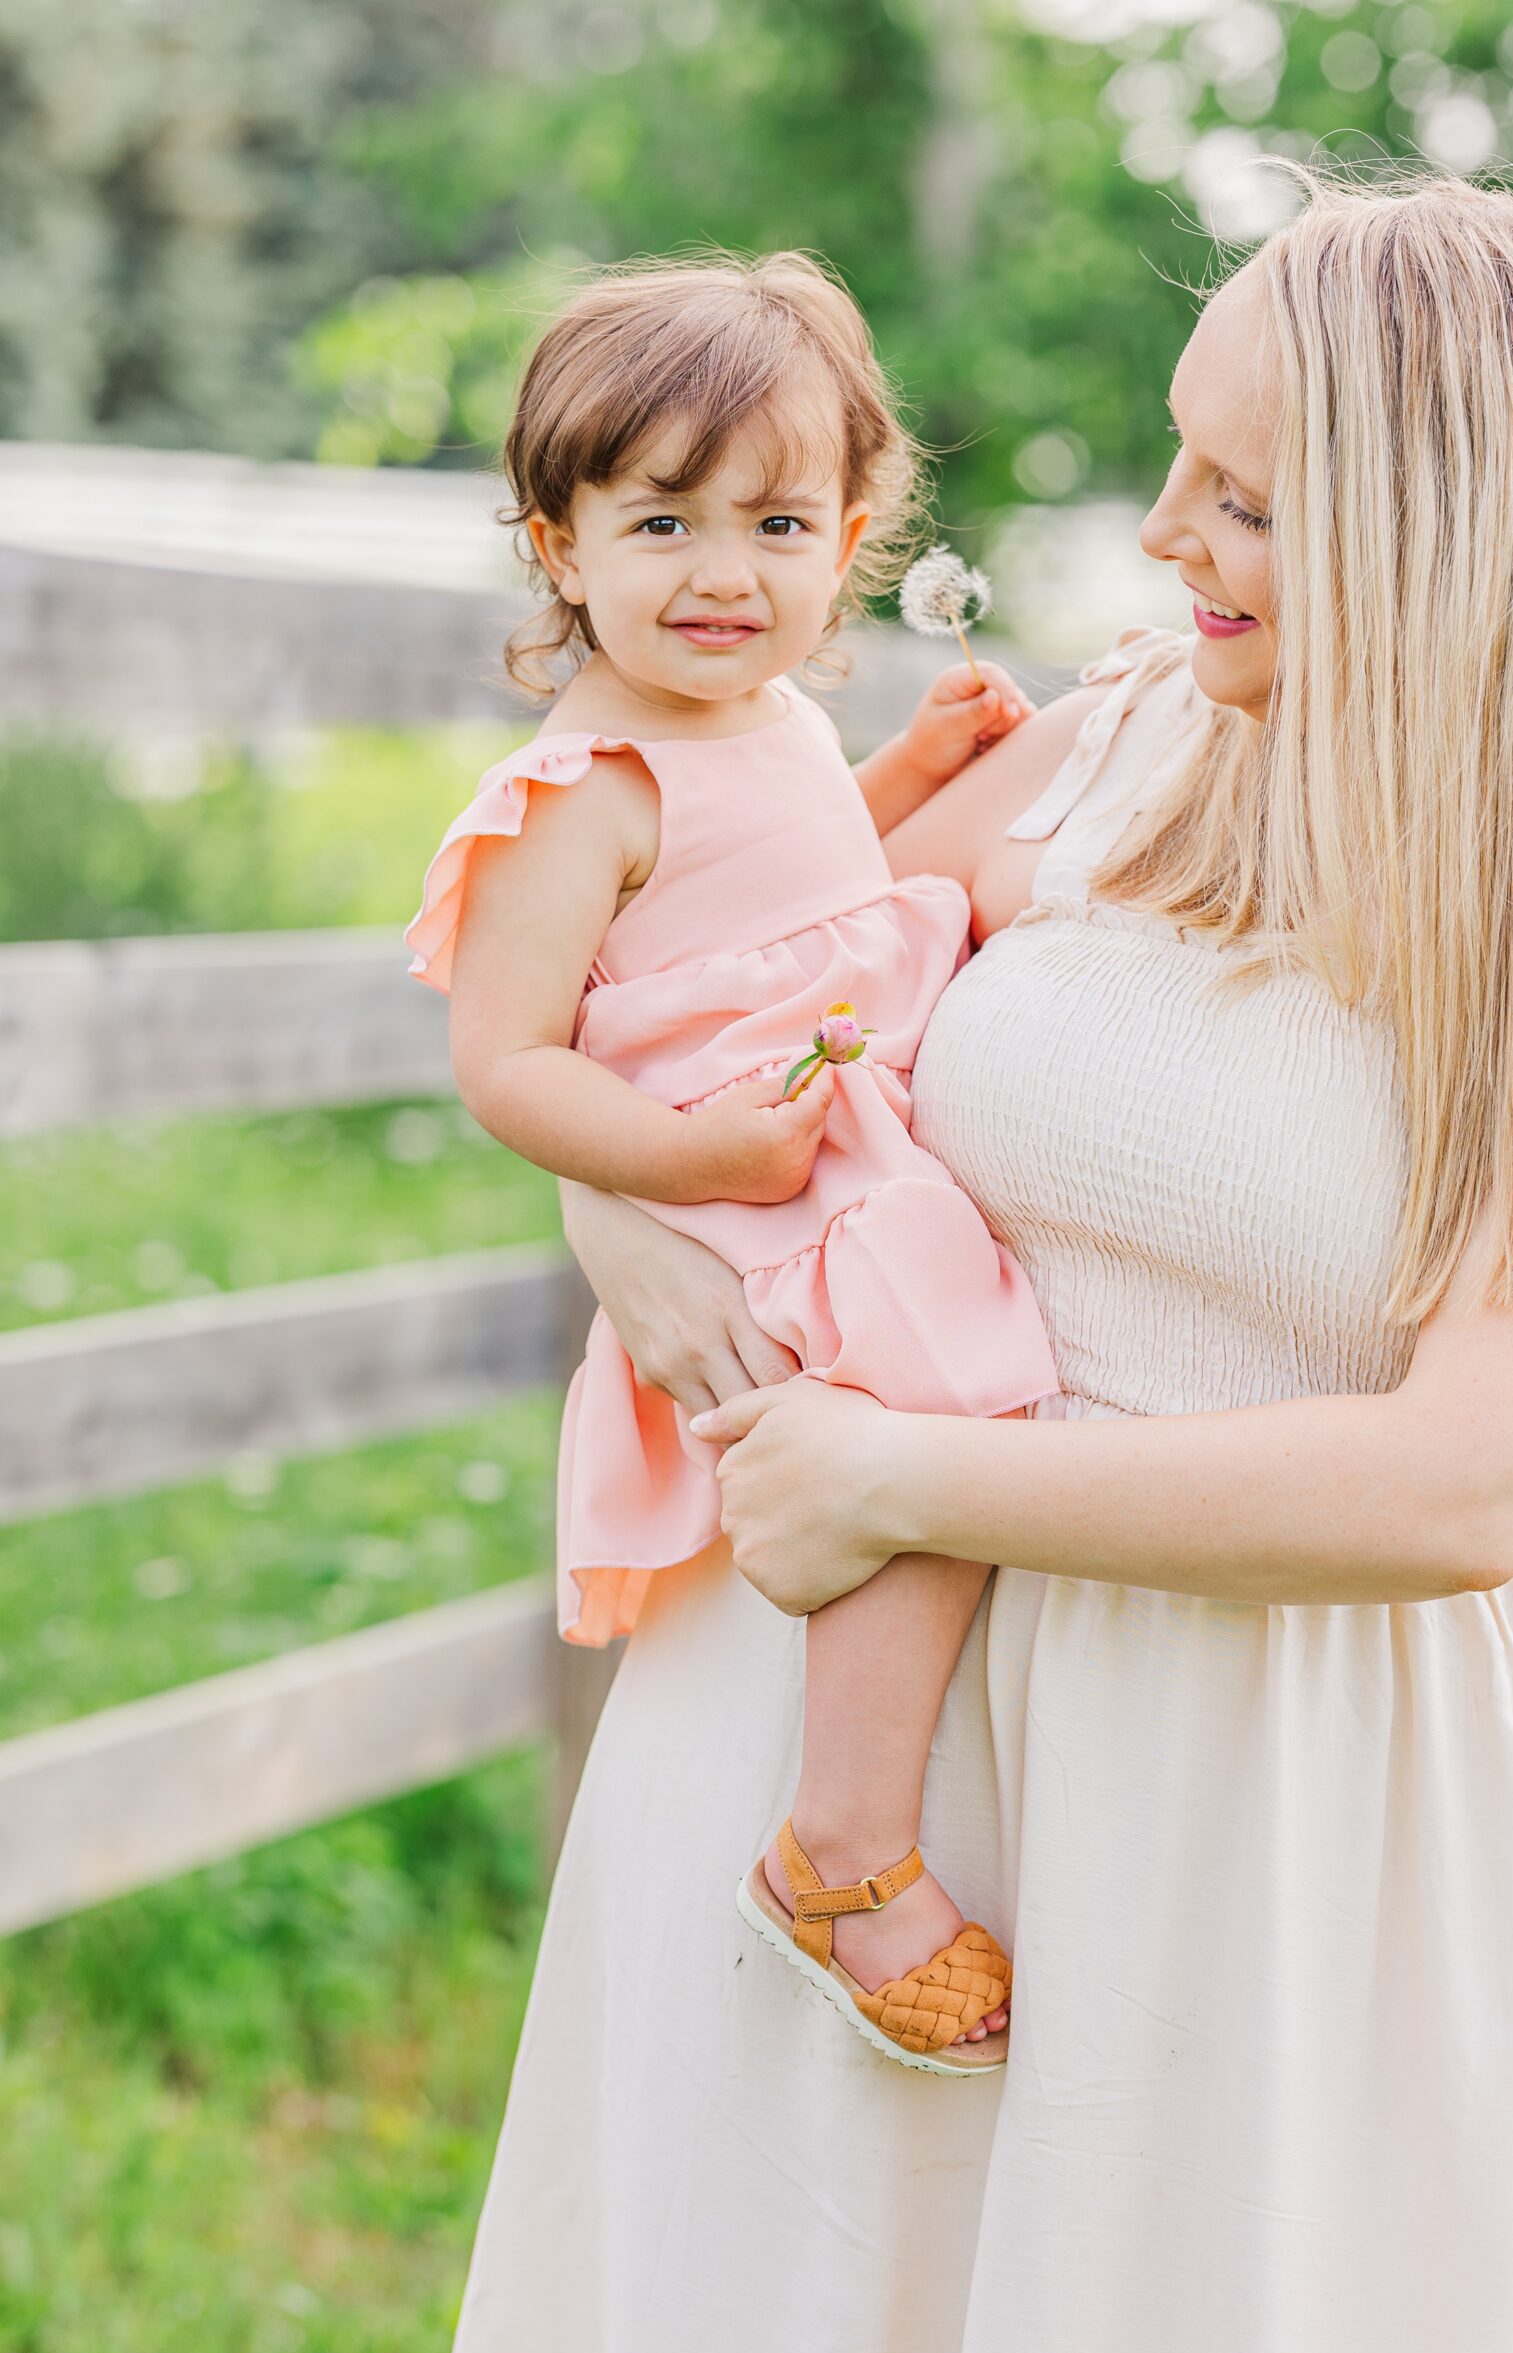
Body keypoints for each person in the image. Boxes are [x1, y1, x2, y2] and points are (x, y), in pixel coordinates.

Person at [407, 170, 1513, 2353]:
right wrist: (614, 1192)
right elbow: (695, 979)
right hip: (825, 1703)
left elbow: (1472, 1478)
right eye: (1176, 458)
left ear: (1439, 527)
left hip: (1252, 1787)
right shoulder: (1125, 738)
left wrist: (903, 1478)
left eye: (1241, 496)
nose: (1160, 530)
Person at [406, 250, 1057, 2068]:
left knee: (965, 1427)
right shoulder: (579, 788)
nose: (721, 576)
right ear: (560, 544)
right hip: (754, 1186)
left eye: (776, 523)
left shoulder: (766, 720)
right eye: (662, 522)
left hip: (823, 1141)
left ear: (848, 539)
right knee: (936, 1435)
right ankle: (845, 1843)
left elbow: (791, 889)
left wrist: (909, 776)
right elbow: (508, 1062)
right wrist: (688, 1164)